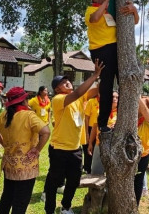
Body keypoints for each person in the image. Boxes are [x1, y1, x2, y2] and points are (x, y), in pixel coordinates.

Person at [44, 59, 103, 214]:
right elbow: (79, 92)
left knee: (74, 180)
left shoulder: (79, 99)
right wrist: (94, 74)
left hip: (75, 149)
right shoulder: (58, 100)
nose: (67, 82)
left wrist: (106, 74)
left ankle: (65, 206)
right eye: (63, 83)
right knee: (54, 181)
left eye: (67, 80)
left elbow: (96, 90)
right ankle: (49, 209)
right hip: (59, 149)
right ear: (57, 89)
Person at [85, 0, 139, 133]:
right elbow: (95, 19)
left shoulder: (111, 11)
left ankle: (122, 120)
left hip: (115, 49)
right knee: (107, 85)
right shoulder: (91, 10)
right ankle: (102, 123)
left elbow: (133, 22)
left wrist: (134, 10)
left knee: (124, 82)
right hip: (100, 50)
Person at [0, 87, 50, 214]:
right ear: (24, 101)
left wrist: (2, 142)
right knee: (20, 203)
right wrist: (37, 150)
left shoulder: (4, 115)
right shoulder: (28, 115)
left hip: (9, 165)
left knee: (7, 197)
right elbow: (46, 131)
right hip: (26, 166)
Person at [88, 91, 118, 175]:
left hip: (115, 146)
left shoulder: (122, 114)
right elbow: (94, 128)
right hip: (99, 143)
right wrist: (90, 143)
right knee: (96, 171)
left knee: (112, 173)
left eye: (117, 97)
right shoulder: (101, 112)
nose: (114, 99)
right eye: (112, 97)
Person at [134, 96, 149, 205]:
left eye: (143, 103)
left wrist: (137, 93)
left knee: (138, 181)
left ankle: (135, 205)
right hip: (128, 154)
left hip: (142, 155)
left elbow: (143, 109)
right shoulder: (133, 116)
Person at [82, 93, 100, 174]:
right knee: (89, 148)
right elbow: (86, 117)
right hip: (90, 127)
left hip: (100, 129)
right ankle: (87, 168)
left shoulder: (106, 102)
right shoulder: (91, 102)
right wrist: (87, 132)